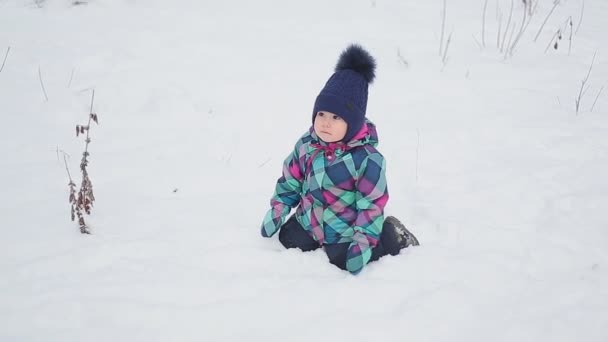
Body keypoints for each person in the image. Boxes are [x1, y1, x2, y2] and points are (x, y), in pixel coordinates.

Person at [260, 44, 419, 275]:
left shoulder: (367, 160)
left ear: (353, 123)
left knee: (343, 261)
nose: (325, 122)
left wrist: (362, 243)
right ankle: (311, 233)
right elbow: (290, 180)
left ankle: (392, 235)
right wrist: (279, 209)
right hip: (310, 221)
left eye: (336, 117)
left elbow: (370, 206)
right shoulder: (307, 144)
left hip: (345, 229)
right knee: (288, 238)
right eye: (321, 114)